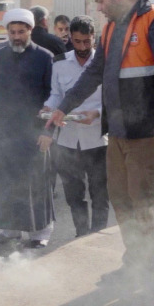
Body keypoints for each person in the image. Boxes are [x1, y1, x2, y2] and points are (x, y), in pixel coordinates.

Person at [45, 0, 154, 276]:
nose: (98, 7)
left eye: (100, 0)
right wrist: (63, 107)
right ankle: (137, 260)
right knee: (121, 198)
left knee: (145, 197)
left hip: (149, 133)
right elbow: (94, 73)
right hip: (118, 132)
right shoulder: (110, 28)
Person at [0, 8, 56, 248]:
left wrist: (48, 131)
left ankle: (40, 234)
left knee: (35, 183)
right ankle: (10, 231)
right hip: (4, 131)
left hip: (34, 133)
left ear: (30, 31)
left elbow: (53, 98)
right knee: (6, 182)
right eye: (12, 32)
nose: (16, 37)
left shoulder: (45, 57)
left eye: (21, 32)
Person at [45, 16, 109, 238]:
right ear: (70, 38)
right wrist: (49, 107)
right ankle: (81, 234)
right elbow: (56, 95)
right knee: (74, 194)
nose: (82, 47)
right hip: (68, 139)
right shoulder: (60, 62)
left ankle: (98, 235)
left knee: (100, 193)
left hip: (98, 138)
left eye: (87, 42)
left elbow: (113, 98)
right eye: (77, 41)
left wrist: (97, 113)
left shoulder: (104, 63)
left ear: (94, 38)